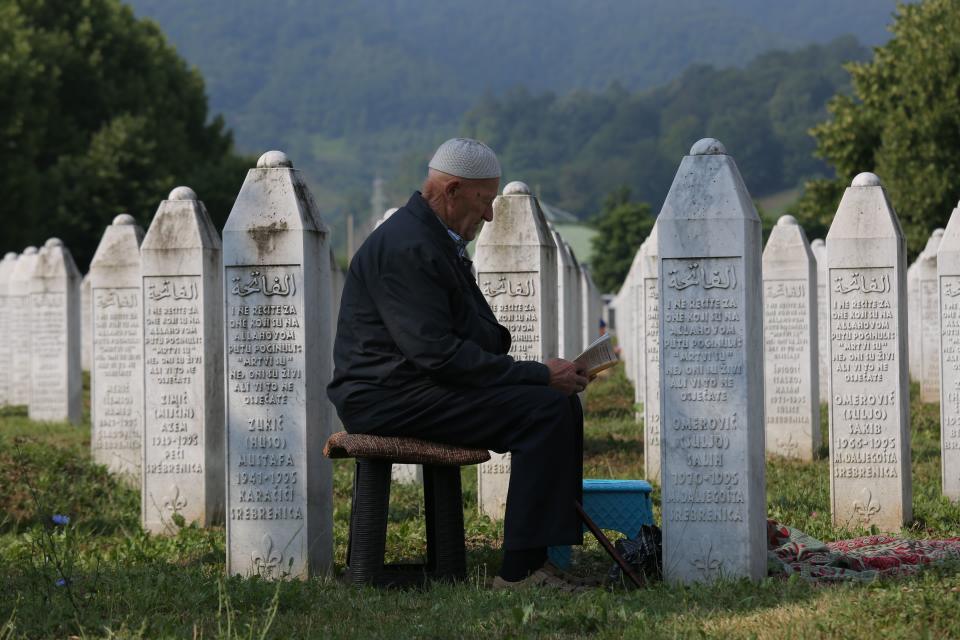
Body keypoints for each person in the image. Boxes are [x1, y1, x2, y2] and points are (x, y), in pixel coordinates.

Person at [327, 138, 589, 589]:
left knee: (556, 404)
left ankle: (538, 556)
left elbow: (481, 336)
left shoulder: (433, 240)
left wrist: (535, 373)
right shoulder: (407, 246)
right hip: (386, 396)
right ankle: (522, 573)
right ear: (450, 192)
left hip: (415, 385)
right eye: (484, 200)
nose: (489, 215)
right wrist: (538, 372)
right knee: (543, 409)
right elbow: (438, 354)